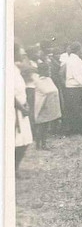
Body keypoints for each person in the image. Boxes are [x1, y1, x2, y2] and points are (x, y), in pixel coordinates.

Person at [61, 42, 82, 134]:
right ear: (78, 50)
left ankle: (77, 129)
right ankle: (78, 129)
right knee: (78, 109)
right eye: (80, 49)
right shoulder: (74, 60)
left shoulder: (74, 59)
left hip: (76, 87)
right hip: (75, 88)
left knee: (77, 109)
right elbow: (77, 75)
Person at [14, 44, 34, 174]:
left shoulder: (16, 70)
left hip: (21, 108)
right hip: (13, 110)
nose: (23, 56)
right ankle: (11, 171)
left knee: (24, 141)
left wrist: (25, 104)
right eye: (20, 53)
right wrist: (22, 107)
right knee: (16, 142)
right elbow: (8, 93)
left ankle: (14, 169)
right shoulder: (8, 70)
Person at [33, 61, 62, 150]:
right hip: (41, 105)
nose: (49, 72)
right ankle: (38, 144)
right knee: (41, 126)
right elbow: (46, 91)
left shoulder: (49, 79)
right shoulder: (38, 81)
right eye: (48, 70)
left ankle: (44, 144)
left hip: (48, 105)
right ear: (43, 71)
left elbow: (54, 90)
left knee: (46, 126)